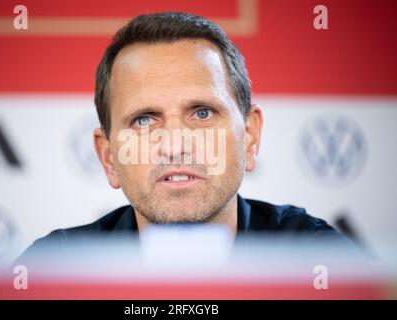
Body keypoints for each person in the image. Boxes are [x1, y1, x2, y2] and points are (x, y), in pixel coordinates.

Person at [19, 12, 352, 262]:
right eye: (144, 120)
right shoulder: (57, 268)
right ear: (109, 159)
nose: (176, 146)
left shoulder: (314, 259)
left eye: (202, 113)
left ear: (250, 137)